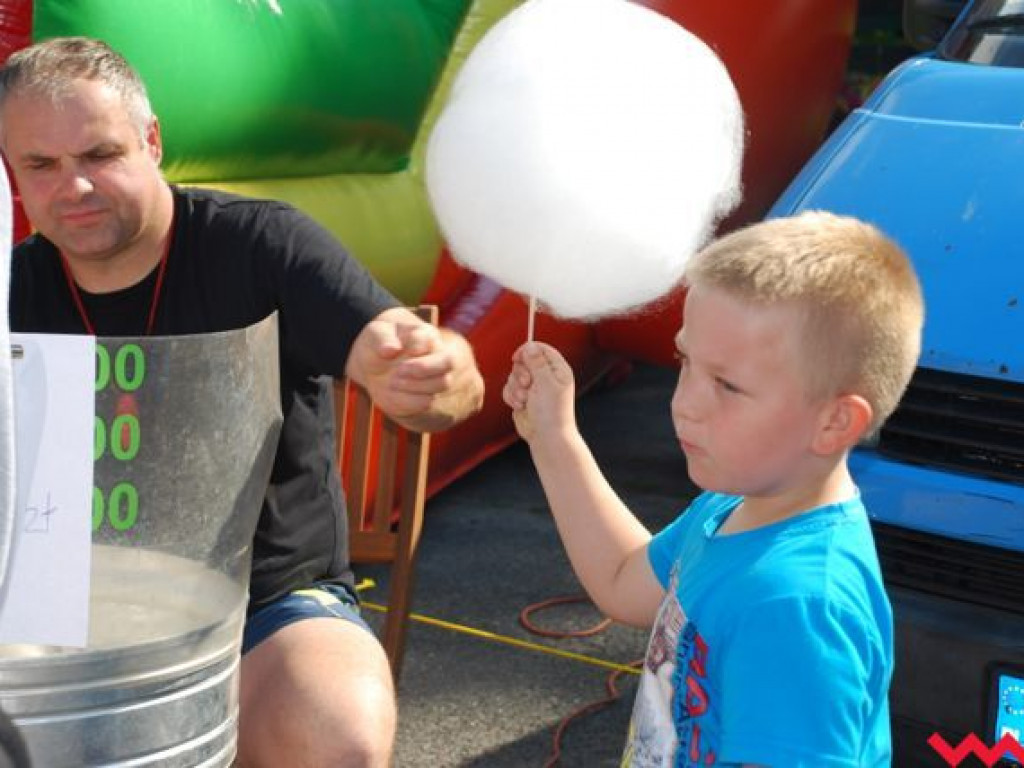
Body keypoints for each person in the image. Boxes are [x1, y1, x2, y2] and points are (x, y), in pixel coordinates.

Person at [0, 36, 484, 767]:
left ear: (151, 141)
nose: (75, 187)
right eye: (41, 165)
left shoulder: (260, 246)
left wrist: (433, 375)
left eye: (100, 154)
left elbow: (429, 385)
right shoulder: (12, 286)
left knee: (336, 737)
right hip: (52, 612)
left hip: (268, 605)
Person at [504, 211, 924, 766]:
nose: (685, 404)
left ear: (833, 423)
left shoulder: (796, 607)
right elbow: (621, 579)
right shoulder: (732, 510)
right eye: (685, 362)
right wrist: (553, 435)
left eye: (727, 384)